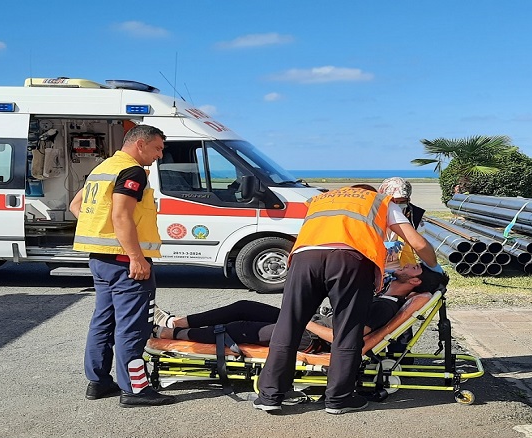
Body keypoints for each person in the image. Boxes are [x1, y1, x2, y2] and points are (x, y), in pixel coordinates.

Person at [254, 184, 444, 415]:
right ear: (370, 192)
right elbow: (419, 243)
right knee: (348, 327)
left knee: (289, 323)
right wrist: (434, 267)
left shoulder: (320, 200)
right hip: (350, 260)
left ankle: (270, 396)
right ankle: (338, 399)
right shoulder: (379, 202)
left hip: (305, 258)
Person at [69, 124, 174, 408]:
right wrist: (136, 257)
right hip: (125, 261)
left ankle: (99, 381)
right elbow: (121, 215)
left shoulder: (104, 168)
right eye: (157, 148)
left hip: (101, 259)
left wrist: (101, 232)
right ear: (140, 144)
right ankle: (135, 391)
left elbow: (76, 205)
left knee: (103, 321)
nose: (159, 155)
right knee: (133, 326)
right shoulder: (132, 171)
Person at [152, 264, 446, 350]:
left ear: (415, 279)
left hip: (312, 337)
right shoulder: (383, 295)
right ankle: (177, 322)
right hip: (311, 324)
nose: (406, 264)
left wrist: (303, 321)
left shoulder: (384, 308)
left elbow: (346, 340)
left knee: (242, 329)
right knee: (244, 304)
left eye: (412, 266)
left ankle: (168, 336)